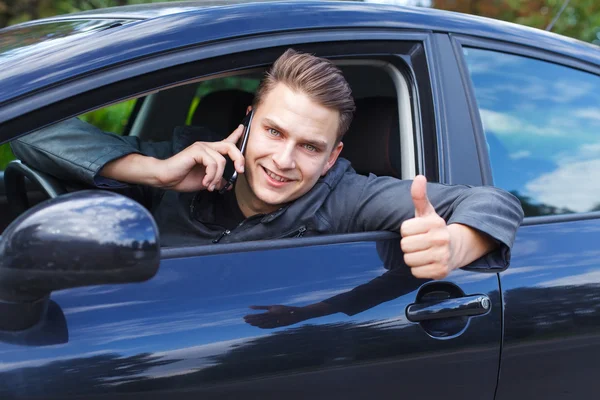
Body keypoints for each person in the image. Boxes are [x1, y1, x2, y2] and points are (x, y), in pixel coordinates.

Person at [11, 49, 524, 280]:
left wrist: (456, 245)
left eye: (309, 146)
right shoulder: (187, 157)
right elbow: (29, 125)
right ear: (250, 121)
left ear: (332, 158)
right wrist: (155, 171)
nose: (282, 161)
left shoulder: (348, 195)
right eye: (275, 132)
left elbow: (494, 202)